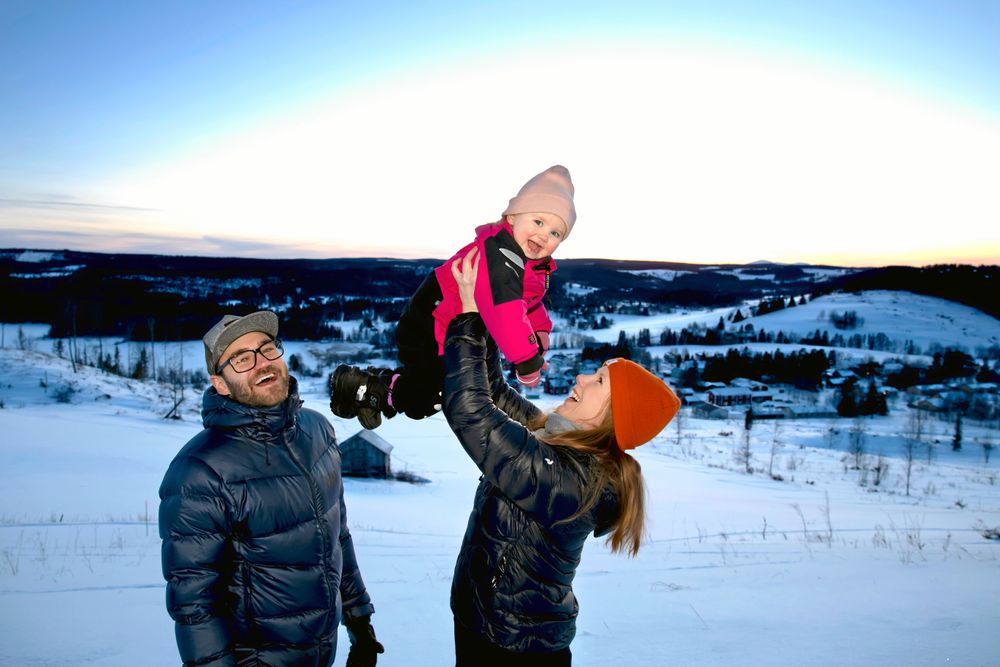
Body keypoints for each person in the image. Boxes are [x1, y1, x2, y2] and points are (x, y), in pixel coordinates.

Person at [441, 248, 681, 665]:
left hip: (512, 646)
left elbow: (470, 411)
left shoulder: (567, 480)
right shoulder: (554, 438)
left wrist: (466, 318)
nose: (582, 378)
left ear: (611, 416)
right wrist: (488, 311)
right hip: (488, 625)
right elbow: (494, 394)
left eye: (599, 380)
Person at [159, 310, 384, 667]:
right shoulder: (200, 472)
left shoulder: (319, 432)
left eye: (267, 349)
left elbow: (337, 535)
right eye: (242, 359)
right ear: (219, 383)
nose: (261, 364)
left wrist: (359, 618)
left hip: (322, 652)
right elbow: (195, 606)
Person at [329, 165, 576, 429]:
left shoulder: (525, 263)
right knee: (430, 396)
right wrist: (527, 361)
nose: (543, 235)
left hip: (446, 324)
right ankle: (364, 388)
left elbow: (529, 303)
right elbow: (506, 312)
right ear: (513, 217)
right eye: (538, 221)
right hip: (431, 325)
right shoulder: (500, 257)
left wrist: (540, 332)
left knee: (445, 384)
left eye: (555, 233)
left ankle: (383, 390)